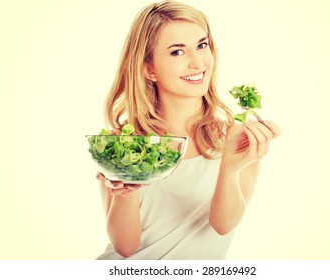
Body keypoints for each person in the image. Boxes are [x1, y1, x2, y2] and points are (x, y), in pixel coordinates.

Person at [95, 0, 281, 260]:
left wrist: (229, 167)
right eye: (177, 52)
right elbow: (125, 247)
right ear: (149, 69)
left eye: (202, 45)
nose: (198, 62)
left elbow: (223, 226)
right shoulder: (124, 144)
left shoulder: (235, 139)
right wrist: (124, 193)